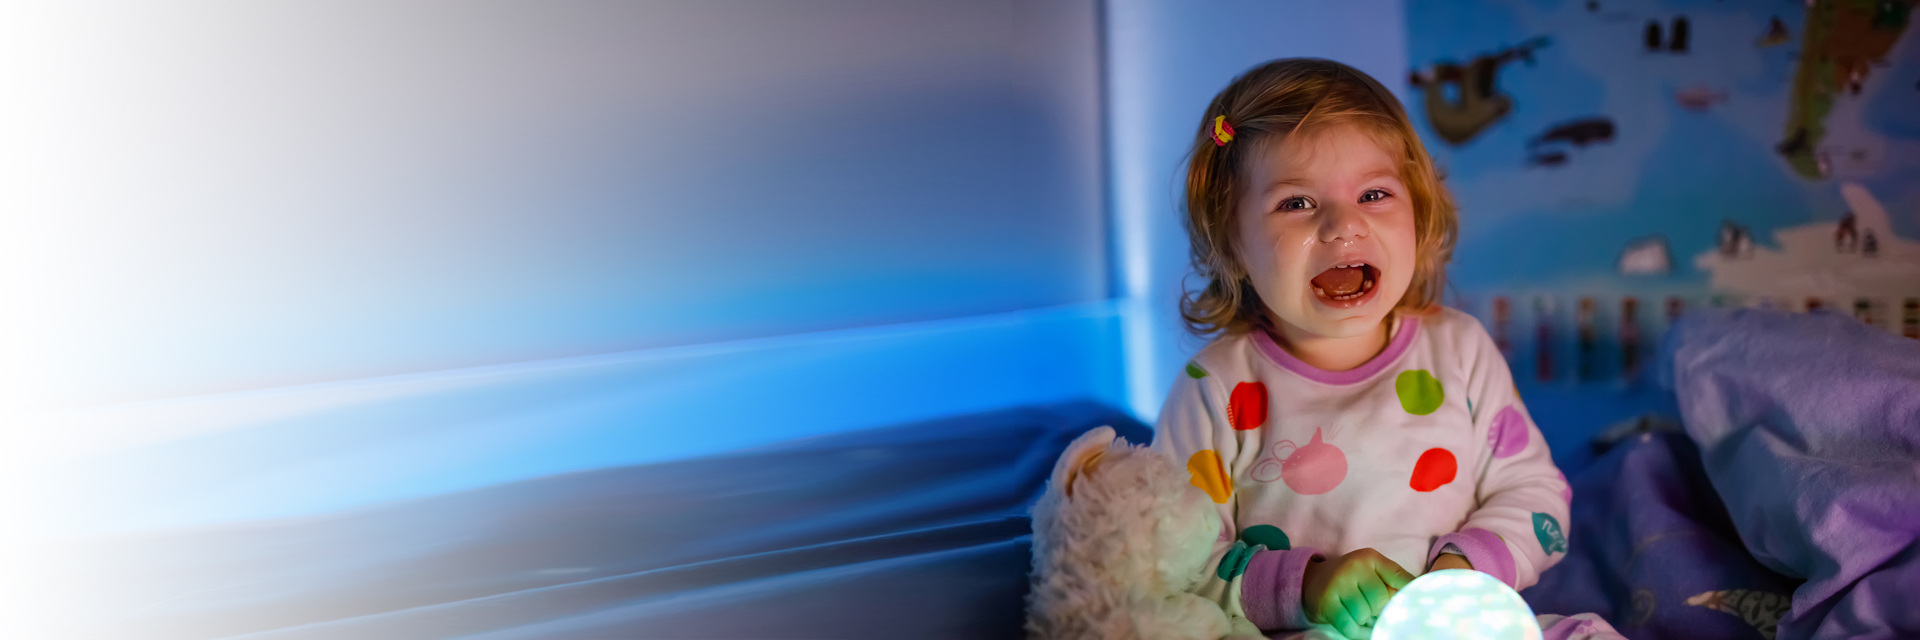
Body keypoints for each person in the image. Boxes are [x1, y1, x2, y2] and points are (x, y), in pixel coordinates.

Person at [1152, 58, 1614, 639]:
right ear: (1233, 245)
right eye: (1296, 203)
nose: (1344, 225)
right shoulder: (1214, 388)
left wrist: (1464, 568)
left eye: (1374, 194)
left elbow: (1536, 495)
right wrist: (1309, 587)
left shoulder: (1461, 351)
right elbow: (1173, 566)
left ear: (1418, 216)